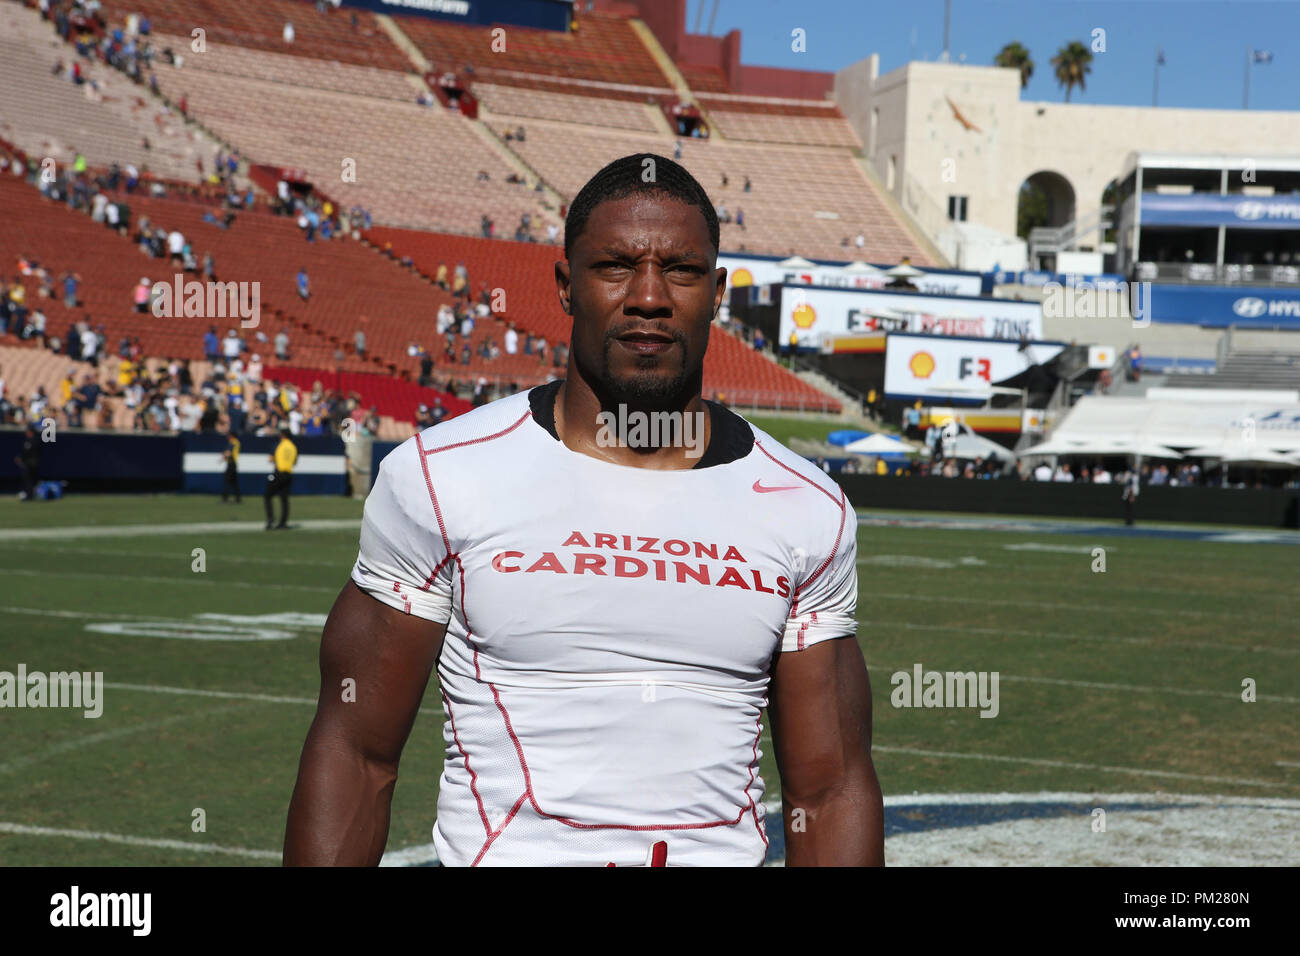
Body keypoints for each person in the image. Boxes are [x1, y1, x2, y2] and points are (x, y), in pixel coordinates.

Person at [285, 151, 882, 868]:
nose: (650, 296)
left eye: (682, 270)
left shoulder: (805, 506)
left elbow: (830, 790)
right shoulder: (444, 476)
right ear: (567, 286)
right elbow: (357, 752)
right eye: (616, 266)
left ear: (717, 292)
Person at [265, 424, 297, 529]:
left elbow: (270, 459)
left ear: (282, 435)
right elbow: (294, 462)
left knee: (268, 495)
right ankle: (283, 523)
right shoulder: (293, 446)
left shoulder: (279, 445)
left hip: (278, 473)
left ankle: (270, 519)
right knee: (284, 499)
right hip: (289, 474)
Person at [15, 422, 41, 501]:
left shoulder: (32, 441)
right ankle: (31, 494)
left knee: (29, 480)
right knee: (31, 480)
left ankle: (29, 495)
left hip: (30, 463)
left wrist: (21, 459)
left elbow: (27, 452)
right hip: (33, 463)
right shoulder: (35, 440)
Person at [222, 432, 242, 503]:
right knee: (234, 482)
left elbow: (228, 452)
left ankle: (225, 498)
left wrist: (223, 457)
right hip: (233, 464)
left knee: (227, 481)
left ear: (232, 436)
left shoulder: (233, 442)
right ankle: (238, 499)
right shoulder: (237, 442)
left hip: (231, 464)